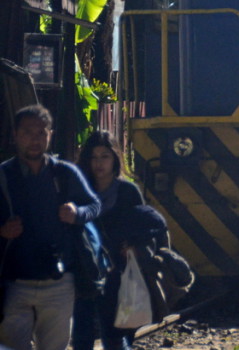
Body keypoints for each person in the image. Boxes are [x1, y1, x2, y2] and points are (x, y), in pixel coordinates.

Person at [0, 105, 101, 350]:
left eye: (41, 133)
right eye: (27, 132)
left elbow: (94, 204)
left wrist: (77, 213)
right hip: (14, 284)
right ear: (15, 135)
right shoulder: (3, 175)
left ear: (50, 135)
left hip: (59, 282)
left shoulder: (65, 173)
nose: (35, 139)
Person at [72, 131, 146, 350]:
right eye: (94, 157)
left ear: (115, 158)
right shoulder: (78, 190)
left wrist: (133, 246)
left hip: (119, 274)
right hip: (84, 271)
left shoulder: (128, 191)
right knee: (82, 331)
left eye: (104, 156)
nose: (99, 163)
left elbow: (143, 226)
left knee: (116, 333)